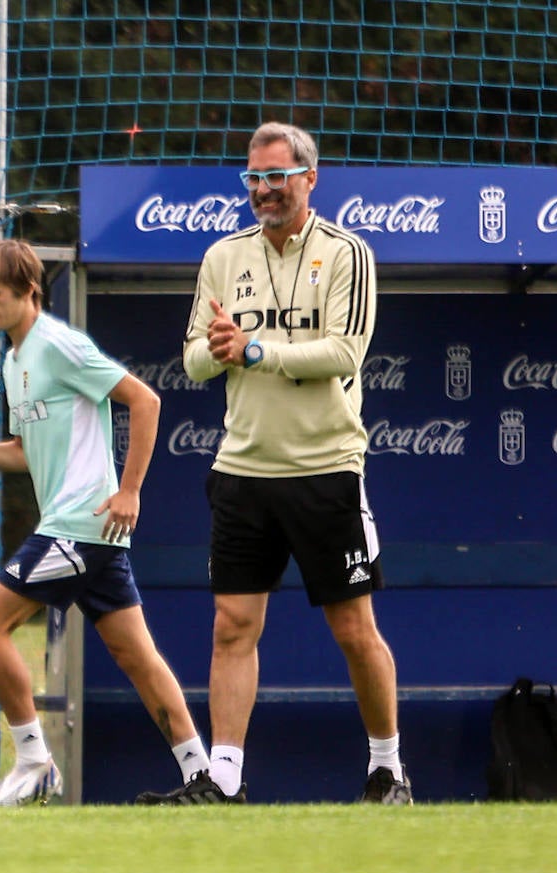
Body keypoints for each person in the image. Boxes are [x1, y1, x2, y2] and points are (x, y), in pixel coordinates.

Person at [137, 121, 410, 805]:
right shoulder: (223, 256)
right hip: (244, 469)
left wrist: (253, 349)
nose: (264, 190)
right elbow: (195, 357)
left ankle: (388, 769)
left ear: (309, 179)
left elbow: (344, 354)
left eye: (277, 177)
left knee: (353, 628)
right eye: (254, 179)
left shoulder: (349, 253)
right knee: (233, 624)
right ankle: (224, 777)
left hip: (326, 467)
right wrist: (223, 348)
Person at [0, 238, 208, 807]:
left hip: (81, 523)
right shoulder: (12, 361)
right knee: (136, 655)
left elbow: (145, 402)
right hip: (86, 532)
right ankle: (205, 778)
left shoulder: (59, 344)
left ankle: (34, 764)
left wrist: (129, 491)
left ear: (31, 291)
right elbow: (25, 453)